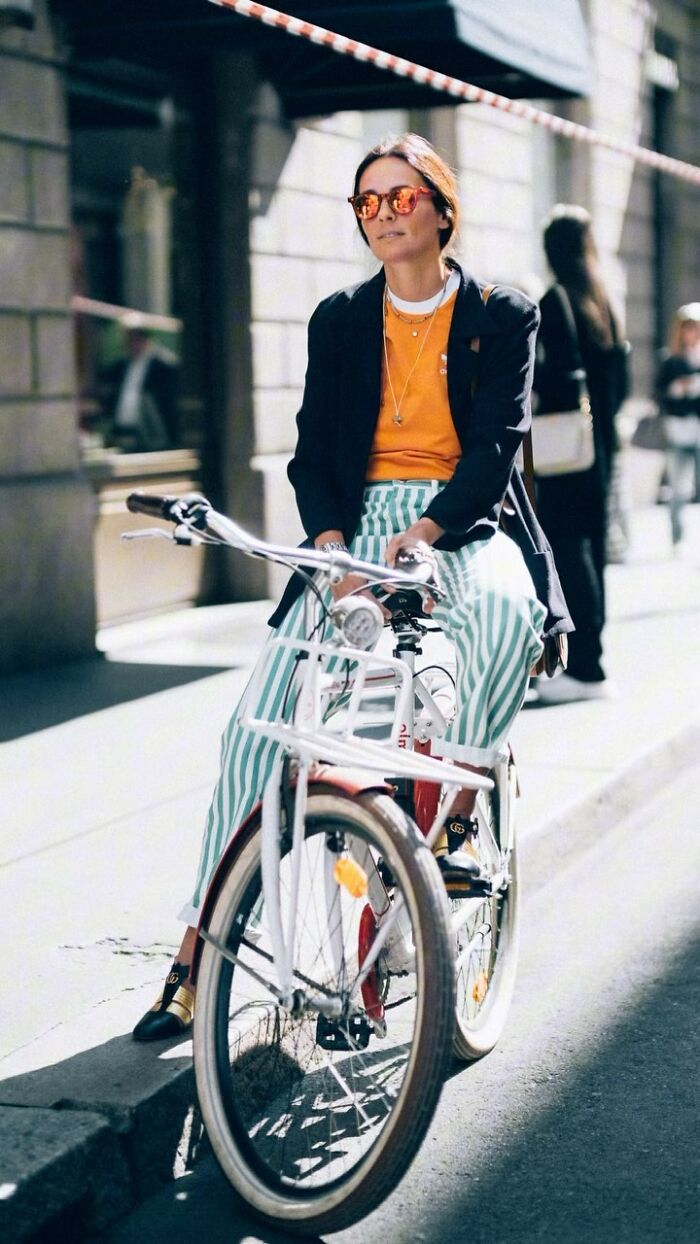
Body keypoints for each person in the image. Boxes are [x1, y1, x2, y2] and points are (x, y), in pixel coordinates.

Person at [132, 133, 571, 1041]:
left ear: (441, 209)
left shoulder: (502, 314)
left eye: (401, 197)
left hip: (456, 519)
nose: (383, 215)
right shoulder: (339, 318)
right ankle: (196, 955)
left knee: (505, 614)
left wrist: (428, 533)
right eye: (367, 201)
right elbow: (309, 455)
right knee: (254, 733)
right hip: (355, 523)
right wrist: (332, 549)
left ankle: (456, 813)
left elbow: (496, 451)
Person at [533, 205, 629, 705]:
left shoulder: (556, 301)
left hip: (566, 450)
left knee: (568, 549)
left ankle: (584, 668)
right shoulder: (602, 301)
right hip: (602, 446)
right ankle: (591, 660)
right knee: (589, 548)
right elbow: (621, 381)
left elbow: (549, 378)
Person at [655, 302, 700, 548]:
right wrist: (678, 389)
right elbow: (660, 393)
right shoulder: (671, 360)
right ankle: (676, 533)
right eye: (687, 328)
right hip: (678, 429)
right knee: (679, 486)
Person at [102, 313, 179, 452]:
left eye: (134, 337)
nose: (129, 343)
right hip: (122, 434)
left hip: (151, 438)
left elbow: (169, 405)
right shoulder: (121, 366)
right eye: (127, 338)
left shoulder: (163, 366)